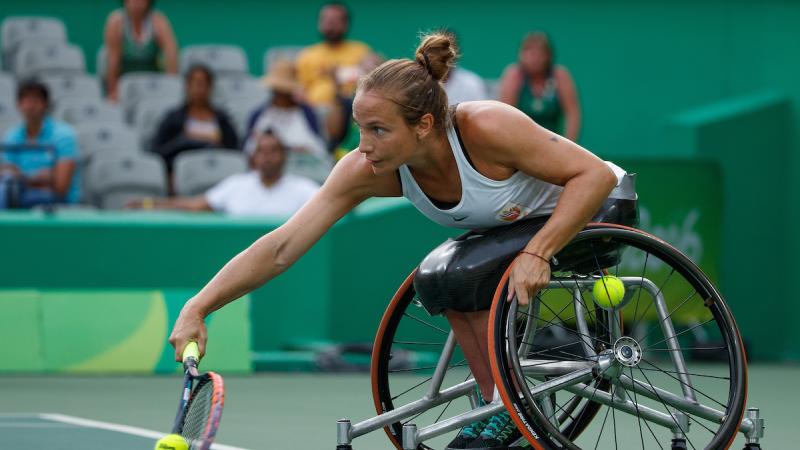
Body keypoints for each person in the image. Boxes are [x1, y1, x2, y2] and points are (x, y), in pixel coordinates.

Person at [168, 33, 632, 449]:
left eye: (379, 130)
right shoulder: (366, 169)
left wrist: (539, 251)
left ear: (424, 125)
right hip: (520, 228)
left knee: (459, 270)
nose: (364, 144)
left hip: (596, 206)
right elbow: (282, 246)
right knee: (438, 275)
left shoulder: (486, 127)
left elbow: (591, 175)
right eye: (360, 128)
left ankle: (505, 407)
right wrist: (199, 306)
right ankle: (497, 401)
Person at [129, 132, 318, 217]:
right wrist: (150, 204)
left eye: (274, 151)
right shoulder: (236, 185)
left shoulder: (304, 189)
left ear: (284, 156)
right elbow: (194, 205)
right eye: (262, 151)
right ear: (253, 157)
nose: (267, 157)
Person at [1, 80, 79, 208]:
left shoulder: (64, 135)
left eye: (36, 100)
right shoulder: (12, 136)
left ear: (46, 104)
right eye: (26, 100)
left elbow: (61, 186)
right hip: (17, 198)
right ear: (18, 104)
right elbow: (8, 178)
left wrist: (22, 178)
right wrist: (38, 178)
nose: (31, 105)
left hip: (59, 204)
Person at [151, 64, 239, 173]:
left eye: (203, 84)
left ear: (210, 87)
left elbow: (234, 151)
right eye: (195, 83)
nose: (199, 88)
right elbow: (158, 152)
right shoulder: (173, 119)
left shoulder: (222, 119)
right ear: (187, 86)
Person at [498, 32, 581, 142]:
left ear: (548, 56)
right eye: (528, 52)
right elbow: (505, 115)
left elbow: (573, 115)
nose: (533, 57)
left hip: (553, 143)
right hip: (520, 144)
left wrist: (569, 146)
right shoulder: (514, 75)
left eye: (538, 52)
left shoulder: (560, 76)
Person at [245, 60, 327, 158]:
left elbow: (319, 151)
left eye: (283, 92)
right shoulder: (258, 114)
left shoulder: (307, 114)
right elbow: (248, 151)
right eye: (278, 91)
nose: (280, 96)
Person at [295, 2, 372, 106]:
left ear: (346, 25)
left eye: (335, 21)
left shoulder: (361, 51)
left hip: (352, 109)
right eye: (326, 20)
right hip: (315, 110)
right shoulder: (307, 55)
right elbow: (300, 89)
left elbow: (369, 83)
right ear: (319, 24)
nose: (330, 25)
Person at [103, 0, 179, 102]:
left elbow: (172, 56)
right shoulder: (115, 23)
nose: (136, 3)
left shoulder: (158, 21)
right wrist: (113, 91)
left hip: (153, 87)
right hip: (126, 88)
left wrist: (170, 89)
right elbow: (113, 63)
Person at [442, 31, 489, 103]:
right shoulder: (421, 83)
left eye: (448, 50)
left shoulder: (472, 83)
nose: (443, 55)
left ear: (456, 53)